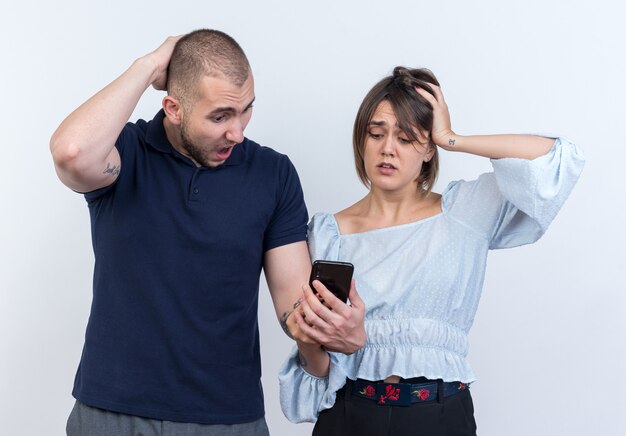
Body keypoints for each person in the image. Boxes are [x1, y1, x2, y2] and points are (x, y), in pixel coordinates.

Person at [50, 29, 365, 435]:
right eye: (220, 116)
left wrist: (329, 327)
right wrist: (149, 65)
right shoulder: (124, 154)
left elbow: (292, 307)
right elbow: (71, 152)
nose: (237, 132)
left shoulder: (273, 174)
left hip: (227, 417)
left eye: (246, 110)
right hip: (112, 412)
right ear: (173, 108)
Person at [278, 66, 585, 435]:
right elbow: (317, 360)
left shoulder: (466, 210)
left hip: (440, 417)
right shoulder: (327, 233)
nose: (387, 148)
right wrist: (311, 340)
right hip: (349, 414)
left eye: (406, 138)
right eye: (376, 134)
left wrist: (450, 136)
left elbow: (556, 157)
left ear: (427, 149)